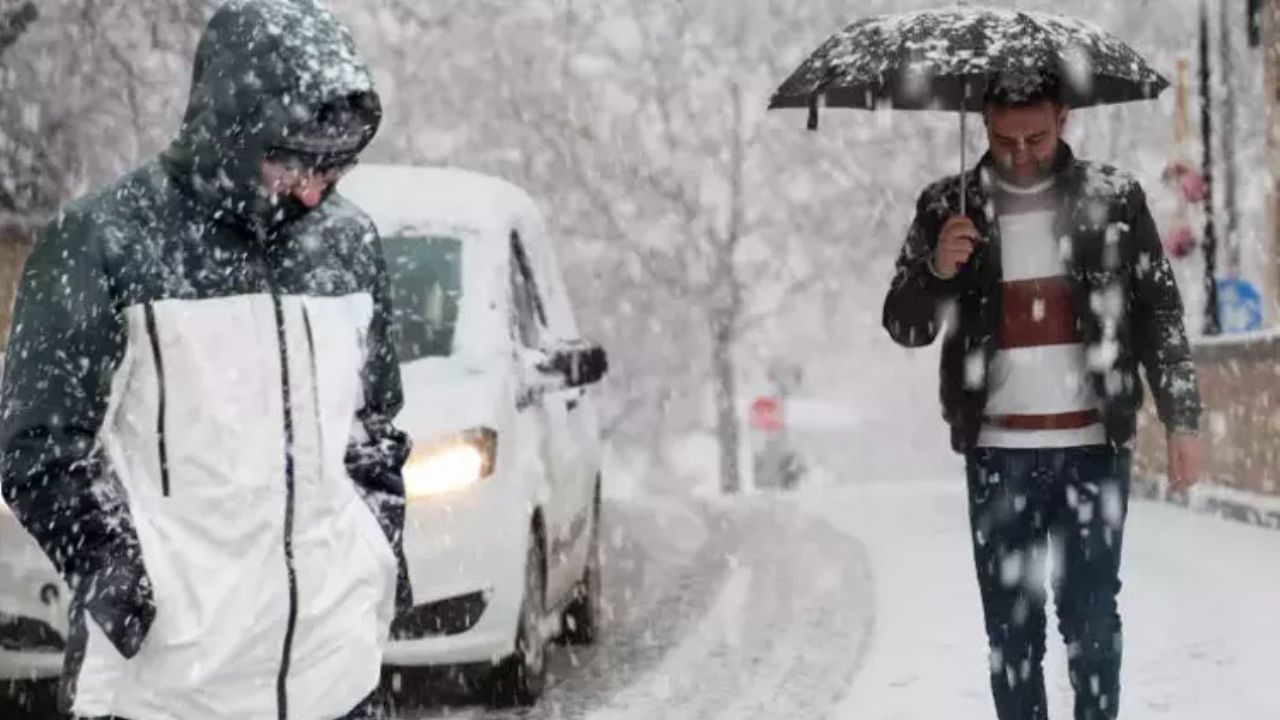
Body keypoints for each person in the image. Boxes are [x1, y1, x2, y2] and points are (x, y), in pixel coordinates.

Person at [0, 1, 409, 718]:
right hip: (166, 692)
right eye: (292, 163)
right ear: (233, 129)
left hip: (335, 680)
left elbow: (371, 429)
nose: (313, 189)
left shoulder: (349, 246)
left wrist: (375, 558)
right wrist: (126, 588)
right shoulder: (104, 243)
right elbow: (38, 447)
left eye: (332, 168)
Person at [882, 72, 1204, 720]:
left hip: (1093, 446)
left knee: (1093, 624)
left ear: (1063, 119)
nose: (1021, 154)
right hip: (997, 452)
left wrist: (1184, 419)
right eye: (1005, 141)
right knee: (1011, 633)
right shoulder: (949, 207)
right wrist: (937, 269)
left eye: (1036, 138)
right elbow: (904, 325)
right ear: (984, 125)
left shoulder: (1115, 201)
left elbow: (1158, 314)